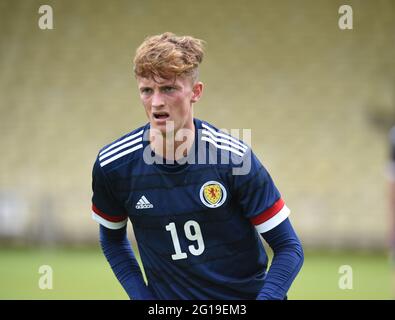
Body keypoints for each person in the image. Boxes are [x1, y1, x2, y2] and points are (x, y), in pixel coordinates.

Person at [91, 32, 304, 300]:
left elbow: (288, 248)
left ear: (196, 92)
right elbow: (111, 240)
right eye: (147, 90)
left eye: (168, 88)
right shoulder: (114, 165)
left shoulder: (234, 160)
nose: (156, 102)